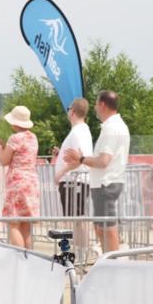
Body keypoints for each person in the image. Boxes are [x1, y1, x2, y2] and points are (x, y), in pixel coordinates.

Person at [64, 90, 130, 254]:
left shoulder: (111, 128)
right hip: (107, 182)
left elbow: (103, 161)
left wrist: (81, 158)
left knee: (107, 227)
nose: (94, 107)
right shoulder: (116, 126)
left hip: (105, 183)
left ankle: (112, 263)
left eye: (95, 104)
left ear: (102, 104)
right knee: (101, 226)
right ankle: (108, 260)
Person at [0, 106, 39, 249]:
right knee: (26, 225)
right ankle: (30, 257)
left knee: (14, 223)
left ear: (15, 123)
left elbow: (4, 160)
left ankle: (18, 257)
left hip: (17, 182)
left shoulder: (15, 138)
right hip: (31, 182)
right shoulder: (33, 137)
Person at [52, 98, 94, 252]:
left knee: (76, 219)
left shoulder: (78, 131)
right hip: (75, 181)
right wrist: (61, 154)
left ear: (73, 112)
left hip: (73, 181)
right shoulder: (80, 130)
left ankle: (81, 252)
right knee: (76, 218)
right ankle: (81, 252)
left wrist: (61, 172)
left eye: (69, 109)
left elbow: (80, 158)